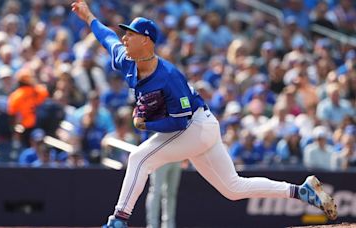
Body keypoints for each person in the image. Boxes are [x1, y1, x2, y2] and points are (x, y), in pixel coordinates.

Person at [71, 1, 338, 227]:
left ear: (147, 41)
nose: (124, 38)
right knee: (233, 188)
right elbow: (107, 38)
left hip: (195, 126)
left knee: (139, 157)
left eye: (130, 34)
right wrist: (89, 16)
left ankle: (119, 218)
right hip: (193, 130)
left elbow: (179, 122)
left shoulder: (169, 77)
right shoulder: (127, 59)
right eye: (125, 33)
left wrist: (147, 123)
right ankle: (300, 191)